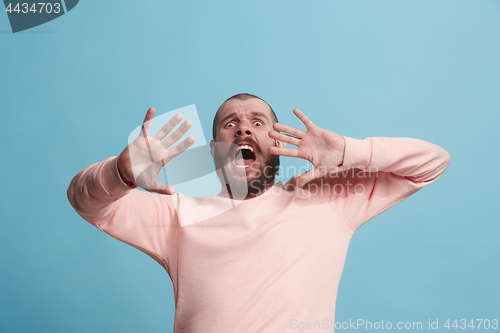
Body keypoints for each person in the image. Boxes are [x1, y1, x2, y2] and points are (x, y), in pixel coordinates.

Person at [67, 93, 451, 333]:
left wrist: (351, 152)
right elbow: (86, 201)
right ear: (214, 149)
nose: (243, 130)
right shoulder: (179, 211)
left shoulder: (323, 198)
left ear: (278, 140)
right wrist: (121, 172)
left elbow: (432, 162)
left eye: (257, 122)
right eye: (230, 124)